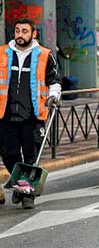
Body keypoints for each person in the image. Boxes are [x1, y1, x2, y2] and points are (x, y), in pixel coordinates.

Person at [0, 18, 61, 209]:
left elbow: (54, 81)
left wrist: (53, 96)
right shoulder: (2, 53)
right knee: (8, 154)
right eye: (17, 30)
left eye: (24, 31)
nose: (20, 35)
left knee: (30, 156)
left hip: (33, 116)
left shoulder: (45, 55)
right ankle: (22, 187)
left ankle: (27, 196)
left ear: (33, 34)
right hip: (6, 114)